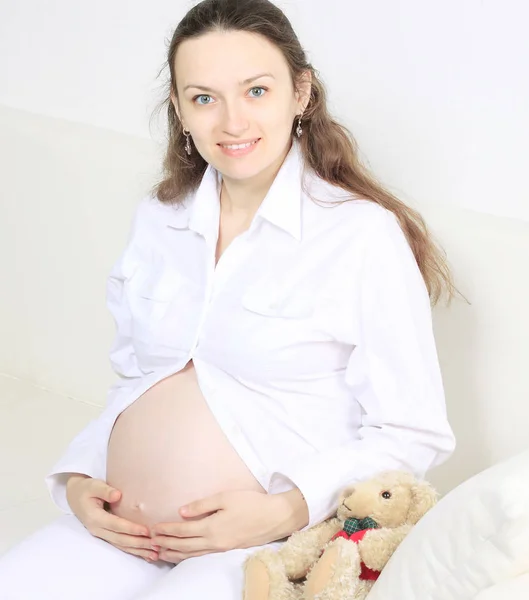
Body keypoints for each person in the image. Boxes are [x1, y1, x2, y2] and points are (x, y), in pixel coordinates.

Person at [0, 0, 458, 598]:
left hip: (263, 543)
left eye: (256, 91)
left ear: (302, 93)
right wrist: (82, 477)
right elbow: (137, 381)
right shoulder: (160, 219)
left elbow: (411, 430)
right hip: (121, 530)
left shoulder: (360, 235)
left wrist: (288, 508)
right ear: (180, 111)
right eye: (204, 98)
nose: (232, 122)